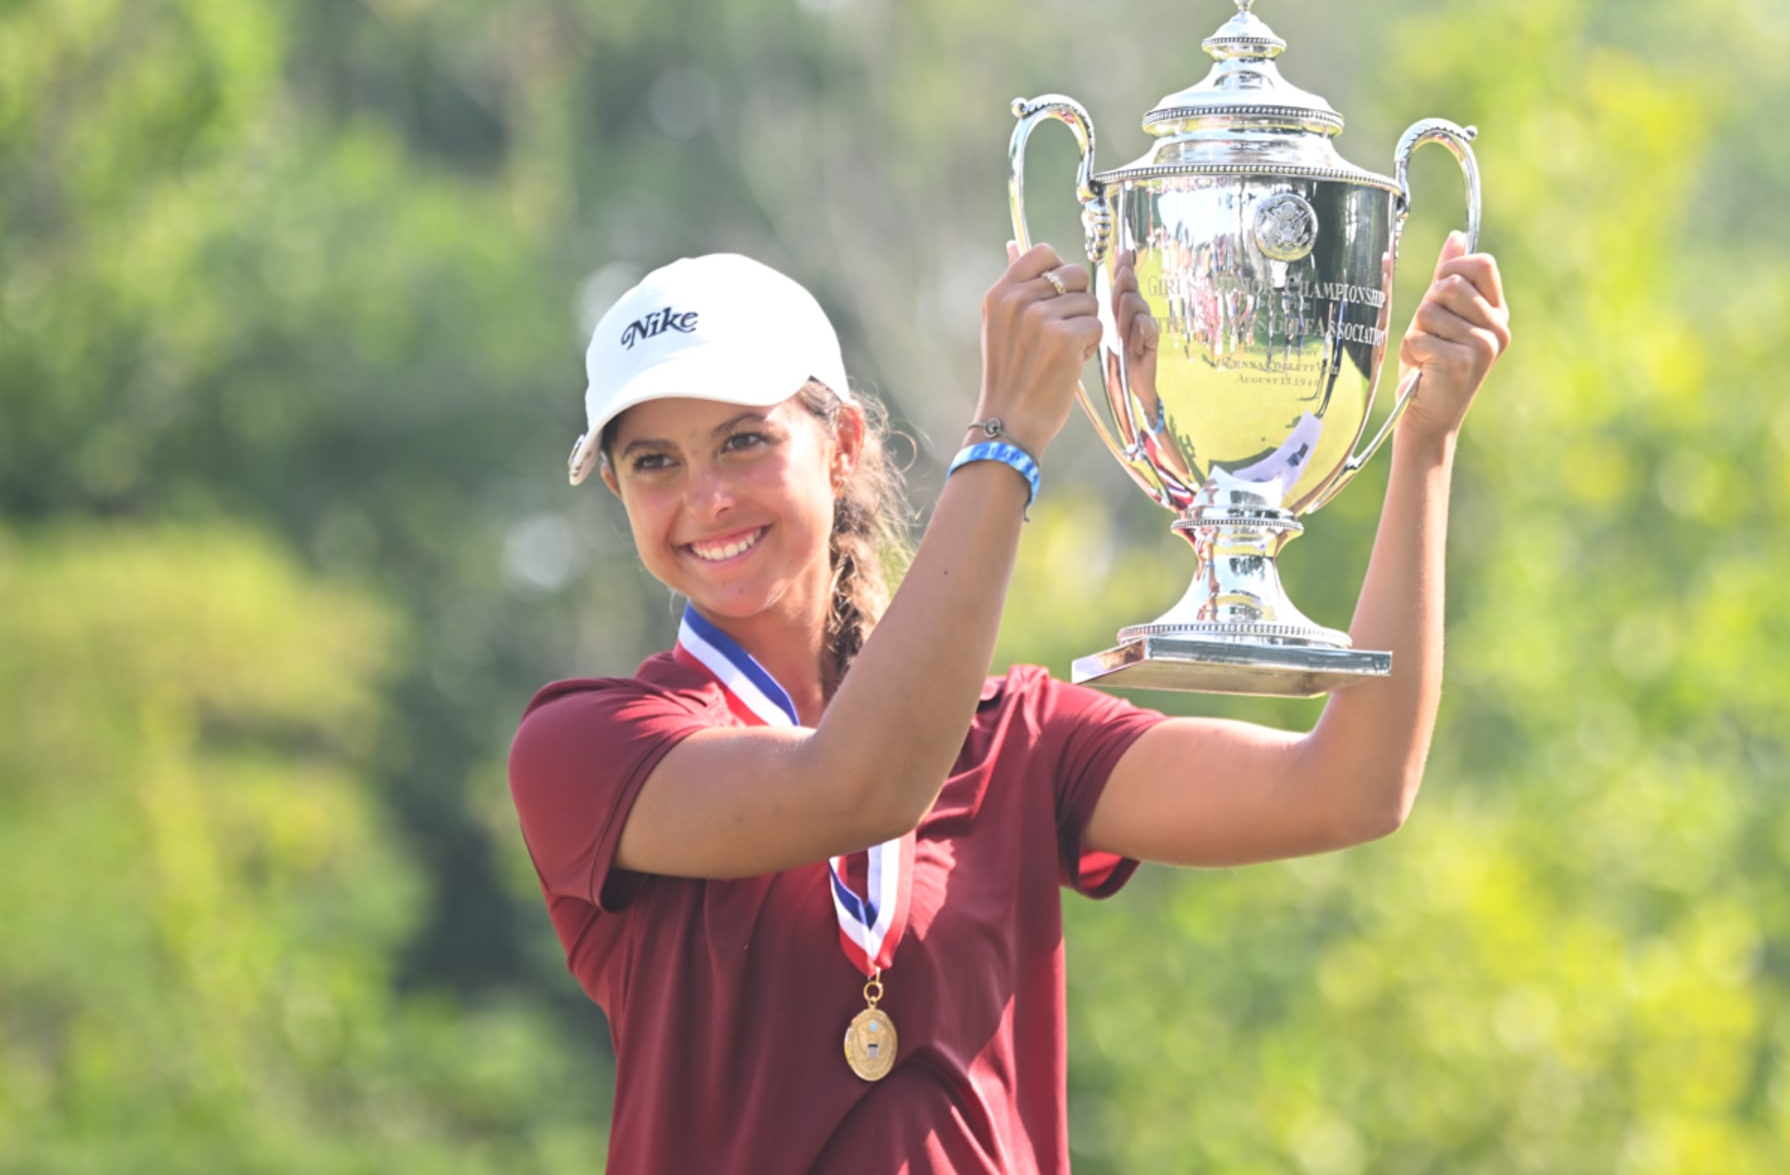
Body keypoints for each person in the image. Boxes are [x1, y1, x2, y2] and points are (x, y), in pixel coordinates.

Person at [507, 234, 1509, 1173]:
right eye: (653, 464)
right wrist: (1005, 439)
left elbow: (1352, 786)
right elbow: (859, 786)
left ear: (843, 445)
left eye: (741, 441)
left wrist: (1423, 445)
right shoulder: (585, 746)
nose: (706, 498)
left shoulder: (1018, 739)